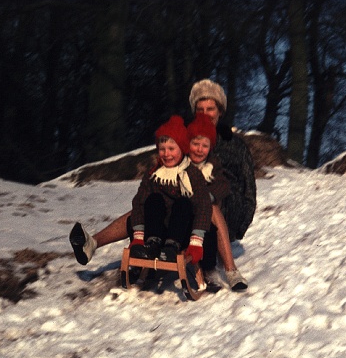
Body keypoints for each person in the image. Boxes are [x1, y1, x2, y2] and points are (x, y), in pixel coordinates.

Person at [70, 113, 249, 291]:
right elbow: (144, 198)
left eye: (204, 145)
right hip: (172, 220)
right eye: (194, 143)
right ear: (187, 144)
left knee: (208, 206)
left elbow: (222, 186)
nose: (198, 149)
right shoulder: (164, 168)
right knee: (142, 209)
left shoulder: (210, 167)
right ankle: (95, 244)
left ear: (210, 148)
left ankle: (230, 269)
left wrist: (205, 196)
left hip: (202, 226)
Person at [126, 115, 211, 264]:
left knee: (183, 203)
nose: (166, 154)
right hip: (156, 229)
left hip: (182, 232)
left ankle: (171, 247)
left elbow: (203, 205)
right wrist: (139, 237)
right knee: (153, 199)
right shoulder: (153, 174)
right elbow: (139, 202)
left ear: (182, 148)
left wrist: (196, 241)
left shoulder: (192, 174)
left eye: (171, 149)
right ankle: (151, 245)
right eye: (162, 149)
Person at [188, 79, 256, 243]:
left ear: (220, 111)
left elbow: (249, 188)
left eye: (210, 109)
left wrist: (241, 226)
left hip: (226, 210)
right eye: (200, 110)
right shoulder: (186, 141)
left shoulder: (234, 144)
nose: (205, 114)